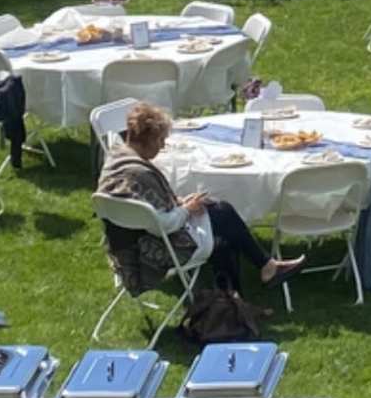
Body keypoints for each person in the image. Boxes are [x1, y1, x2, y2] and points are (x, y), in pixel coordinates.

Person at [98, 96, 276, 334]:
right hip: (150, 254)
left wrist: (180, 204)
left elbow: (147, 211)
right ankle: (263, 269)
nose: (162, 147)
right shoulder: (139, 175)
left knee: (222, 236)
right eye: (160, 140)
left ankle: (238, 305)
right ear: (147, 138)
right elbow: (166, 224)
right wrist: (186, 209)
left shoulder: (115, 160)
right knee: (222, 213)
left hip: (123, 251)